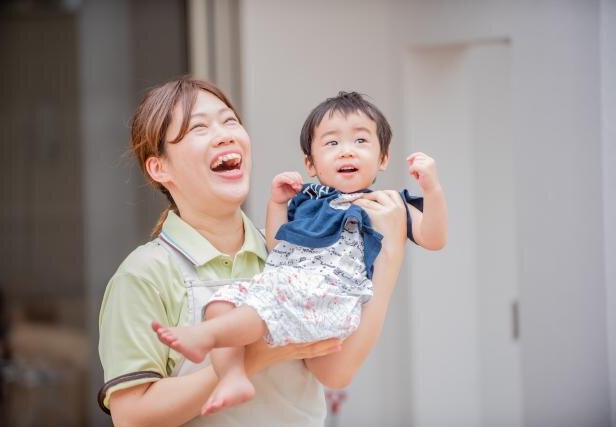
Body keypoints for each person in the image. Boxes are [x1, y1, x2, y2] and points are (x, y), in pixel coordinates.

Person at [152, 91, 448, 416]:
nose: (346, 151)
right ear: (310, 163)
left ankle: (205, 337)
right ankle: (232, 374)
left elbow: (433, 238)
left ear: (383, 158)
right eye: (332, 143)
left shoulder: (388, 205)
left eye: (361, 141)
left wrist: (431, 189)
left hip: (331, 295)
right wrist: (277, 204)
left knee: (256, 310)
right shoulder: (306, 201)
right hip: (286, 283)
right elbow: (279, 247)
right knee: (222, 301)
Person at [97, 77, 347, 427]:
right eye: (199, 127)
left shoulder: (285, 251)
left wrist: (390, 249)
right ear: (159, 167)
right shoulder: (144, 274)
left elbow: (335, 365)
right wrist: (253, 358)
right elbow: (133, 416)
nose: (226, 134)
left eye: (230, 121)